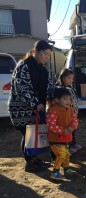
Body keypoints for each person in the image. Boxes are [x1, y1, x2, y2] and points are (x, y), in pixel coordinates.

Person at [8, 40, 55, 173]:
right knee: (27, 135)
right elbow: (21, 88)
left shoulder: (43, 69)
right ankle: (29, 163)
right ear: (35, 51)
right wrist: (35, 103)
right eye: (45, 54)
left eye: (48, 55)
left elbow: (49, 85)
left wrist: (59, 92)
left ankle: (33, 159)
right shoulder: (24, 65)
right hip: (21, 109)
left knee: (32, 135)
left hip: (36, 108)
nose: (46, 57)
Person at [46, 87, 79, 180]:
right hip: (55, 138)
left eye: (69, 99)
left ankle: (66, 169)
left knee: (66, 154)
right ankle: (55, 172)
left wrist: (72, 127)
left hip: (66, 138)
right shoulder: (53, 110)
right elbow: (51, 125)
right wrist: (63, 130)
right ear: (57, 100)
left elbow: (75, 120)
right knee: (61, 154)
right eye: (65, 99)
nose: (68, 101)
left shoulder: (70, 109)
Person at [56, 68, 82, 153]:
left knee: (73, 128)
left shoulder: (70, 87)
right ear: (63, 78)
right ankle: (68, 146)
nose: (71, 80)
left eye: (72, 78)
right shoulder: (61, 89)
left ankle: (73, 143)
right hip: (66, 114)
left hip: (73, 112)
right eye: (69, 78)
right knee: (67, 130)